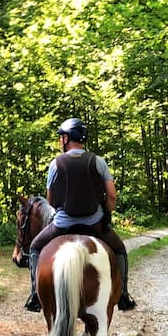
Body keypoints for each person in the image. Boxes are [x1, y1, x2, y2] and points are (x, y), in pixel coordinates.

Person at [24, 118, 137, 312]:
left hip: (62, 224)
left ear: (68, 138)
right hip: (94, 223)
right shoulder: (98, 162)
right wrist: (106, 212)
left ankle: (35, 295)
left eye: (62, 137)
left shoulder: (56, 164)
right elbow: (111, 195)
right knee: (119, 250)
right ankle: (124, 295)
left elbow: (51, 200)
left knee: (35, 247)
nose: (61, 141)